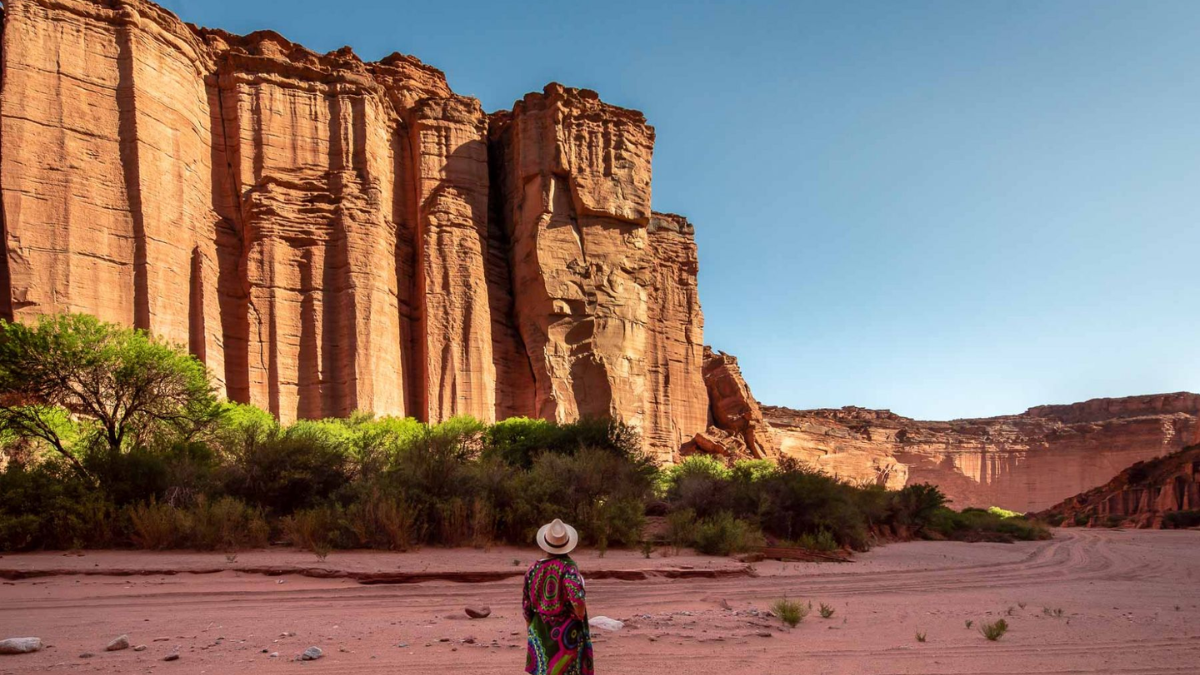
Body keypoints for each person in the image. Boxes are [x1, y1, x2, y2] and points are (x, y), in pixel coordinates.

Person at [523, 518, 593, 675]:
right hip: (565, 633)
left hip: (539, 629)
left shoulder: (532, 569)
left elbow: (526, 607)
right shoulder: (569, 568)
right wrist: (579, 614)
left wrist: (531, 630)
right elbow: (577, 600)